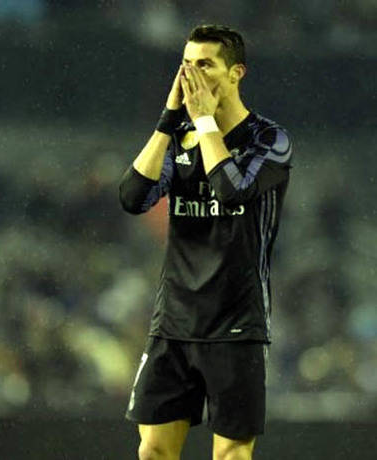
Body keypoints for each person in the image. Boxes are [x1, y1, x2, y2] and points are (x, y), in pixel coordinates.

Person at [119, 25, 292, 460]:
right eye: (186, 64)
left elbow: (231, 189)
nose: (191, 75)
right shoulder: (178, 139)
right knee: (153, 450)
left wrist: (205, 121)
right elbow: (133, 198)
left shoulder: (269, 140)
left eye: (205, 65)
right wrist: (167, 121)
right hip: (174, 320)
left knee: (231, 453)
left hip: (235, 323)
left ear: (236, 73)